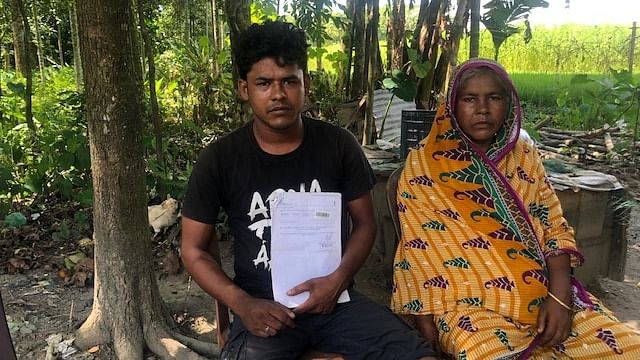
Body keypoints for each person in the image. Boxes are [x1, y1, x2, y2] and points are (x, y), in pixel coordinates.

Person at [181, 20, 436, 360]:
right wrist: (243, 304)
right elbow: (194, 250)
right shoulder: (221, 159)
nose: (278, 94)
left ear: (306, 83)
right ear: (244, 89)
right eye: (263, 83)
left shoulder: (338, 145)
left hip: (336, 302)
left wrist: (339, 280)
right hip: (263, 310)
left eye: (289, 81)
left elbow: (365, 224)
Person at [391, 58, 640, 359]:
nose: (482, 109)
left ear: (508, 104)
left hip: (542, 293)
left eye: (494, 98)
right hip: (464, 305)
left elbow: (553, 224)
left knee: (626, 347)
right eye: (470, 99)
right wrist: (424, 318)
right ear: (452, 107)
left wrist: (560, 298)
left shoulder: (523, 153)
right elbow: (419, 250)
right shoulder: (424, 163)